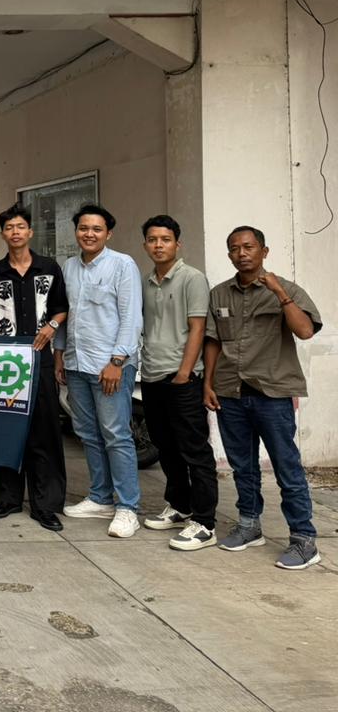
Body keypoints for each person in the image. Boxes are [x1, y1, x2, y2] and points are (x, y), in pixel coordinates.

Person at [204, 226, 323, 570]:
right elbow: (213, 341)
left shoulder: (286, 288)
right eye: (234, 248)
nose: (241, 253)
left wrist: (279, 293)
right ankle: (249, 526)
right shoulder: (219, 293)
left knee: (287, 467)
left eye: (249, 247)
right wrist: (207, 384)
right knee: (243, 467)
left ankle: (303, 539)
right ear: (229, 254)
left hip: (272, 394)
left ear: (264, 251)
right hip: (230, 392)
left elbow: (305, 331)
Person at [54, 203, 143, 538]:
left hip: (110, 366)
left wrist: (117, 361)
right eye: (83, 228)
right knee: (88, 434)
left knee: (116, 435)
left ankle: (128, 507)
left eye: (96, 229)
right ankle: (100, 497)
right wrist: (60, 355)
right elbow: (65, 314)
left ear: (109, 234)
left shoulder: (122, 265)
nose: (89, 234)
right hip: (77, 364)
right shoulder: (69, 267)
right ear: (76, 231)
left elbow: (131, 317)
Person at [0, 202, 69, 531]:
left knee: (44, 433)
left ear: (30, 232)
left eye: (20, 227)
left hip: (39, 359)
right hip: (4, 363)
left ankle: (46, 505)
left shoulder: (49, 268)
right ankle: (6, 499)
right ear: (2, 234)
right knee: (5, 430)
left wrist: (52, 327)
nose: (15, 232)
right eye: (9, 228)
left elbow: (61, 307)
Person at [138, 215, 218, 551]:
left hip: (181, 378)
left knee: (194, 450)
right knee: (166, 446)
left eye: (165, 239)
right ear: (146, 244)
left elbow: (198, 327)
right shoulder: (146, 281)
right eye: (153, 239)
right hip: (152, 376)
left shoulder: (192, 278)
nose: (159, 245)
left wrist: (185, 373)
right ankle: (180, 505)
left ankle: (205, 522)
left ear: (177, 243)